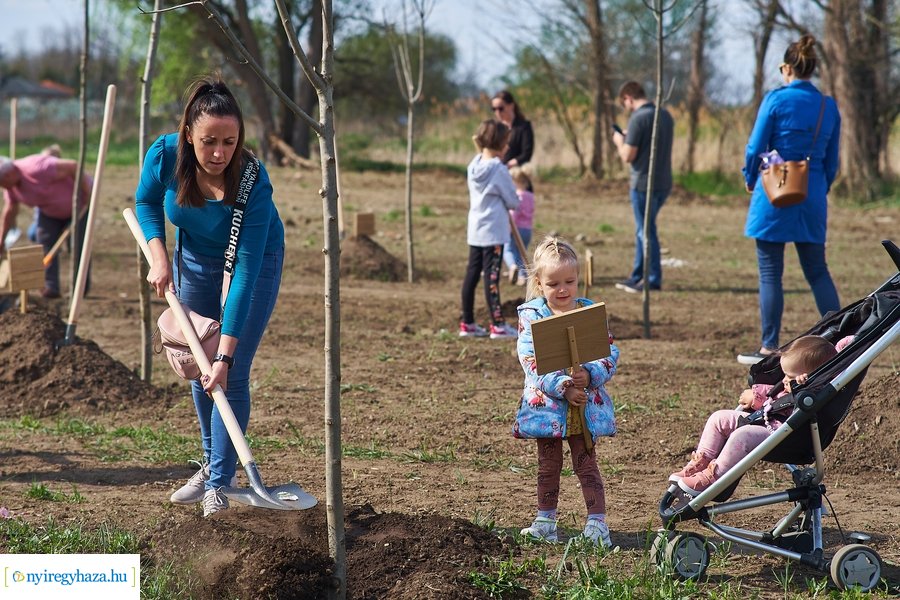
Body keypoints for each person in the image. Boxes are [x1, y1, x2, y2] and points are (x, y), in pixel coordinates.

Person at [135, 77, 285, 517]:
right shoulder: (164, 154)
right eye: (209, 142)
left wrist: (226, 355)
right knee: (197, 358)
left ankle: (221, 480)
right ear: (188, 135)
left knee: (227, 369)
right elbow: (145, 203)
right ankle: (212, 463)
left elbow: (243, 274)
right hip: (193, 259)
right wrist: (159, 256)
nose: (220, 153)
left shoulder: (253, 182)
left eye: (230, 142)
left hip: (253, 262)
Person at [737, 35, 842, 366]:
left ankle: (769, 346)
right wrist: (818, 189)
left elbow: (756, 148)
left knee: (770, 272)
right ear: (812, 68)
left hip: (775, 191)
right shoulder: (828, 105)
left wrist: (750, 178)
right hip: (813, 194)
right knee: (817, 270)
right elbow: (833, 162)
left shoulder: (775, 100)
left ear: (787, 68)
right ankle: (842, 338)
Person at [512, 236, 619, 547]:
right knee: (548, 465)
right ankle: (546, 521)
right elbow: (531, 360)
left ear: (578, 279)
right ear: (539, 283)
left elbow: (609, 351)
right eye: (554, 283)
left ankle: (597, 526)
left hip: (583, 409)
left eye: (569, 281)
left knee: (586, 463)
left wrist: (590, 373)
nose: (562, 290)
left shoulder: (587, 312)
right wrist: (563, 387)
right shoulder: (532, 317)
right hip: (548, 408)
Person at [671, 335, 846, 497]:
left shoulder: (811, 390)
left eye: (790, 376)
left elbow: (837, 365)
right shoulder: (788, 386)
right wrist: (755, 397)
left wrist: (805, 386)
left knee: (742, 435)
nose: (785, 379)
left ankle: (715, 478)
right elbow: (773, 400)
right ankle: (700, 463)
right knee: (718, 418)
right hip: (765, 422)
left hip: (784, 435)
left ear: (808, 376)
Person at [0, 146, 92, 299]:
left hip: (78, 207)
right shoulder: (11, 187)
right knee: (44, 243)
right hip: (48, 212)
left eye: (2, 182)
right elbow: (9, 212)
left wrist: (88, 194)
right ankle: (51, 287)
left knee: (78, 247)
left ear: (9, 174)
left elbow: (73, 166)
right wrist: (1, 240)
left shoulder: (36, 168)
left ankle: (80, 288)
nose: (2, 187)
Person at [459, 119, 520, 340]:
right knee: (491, 278)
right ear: (501, 143)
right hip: (494, 231)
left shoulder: (473, 166)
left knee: (472, 274)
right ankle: (498, 325)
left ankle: (467, 323)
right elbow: (513, 201)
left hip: (475, 229)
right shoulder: (499, 170)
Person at [611, 81, 674, 294]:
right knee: (645, 229)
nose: (625, 107)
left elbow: (628, 155)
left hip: (643, 183)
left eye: (624, 103)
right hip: (663, 182)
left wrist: (620, 140)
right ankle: (638, 274)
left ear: (629, 97)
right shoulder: (664, 115)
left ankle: (651, 279)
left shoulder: (638, 118)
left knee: (645, 232)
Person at [502, 167, 535, 286]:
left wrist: (509, 228)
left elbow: (514, 214)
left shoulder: (517, 196)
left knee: (508, 250)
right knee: (522, 252)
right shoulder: (530, 196)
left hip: (517, 228)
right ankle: (523, 276)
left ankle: (512, 266)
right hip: (527, 230)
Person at [491, 90, 534, 171]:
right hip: (497, 172)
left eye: (500, 108)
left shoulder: (524, 126)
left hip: (517, 172)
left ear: (511, 105)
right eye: (494, 109)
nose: (497, 112)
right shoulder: (494, 128)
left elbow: (526, 154)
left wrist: (507, 165)